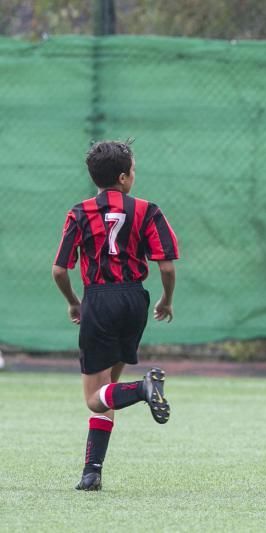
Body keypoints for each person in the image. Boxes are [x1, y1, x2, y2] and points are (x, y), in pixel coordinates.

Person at [52, 140, 179, 491]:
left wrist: (74, 302)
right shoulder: (148, 210)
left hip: (99, 300)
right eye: (134, 171)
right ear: (123, 177)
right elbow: (166, 266)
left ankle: (143, 388)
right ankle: (92, 473)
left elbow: (59, 271)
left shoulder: (79, 213)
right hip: (135, 300)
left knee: (95, 398)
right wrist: (166, 300)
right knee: (108, 392)